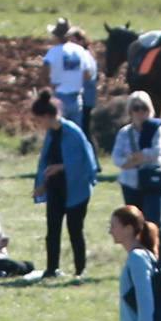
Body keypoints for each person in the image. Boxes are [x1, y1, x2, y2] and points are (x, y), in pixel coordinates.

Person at [31, 90, 97, 280]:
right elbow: (45, 161)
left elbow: (86, 161)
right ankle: (52, 268)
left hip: (75, 188)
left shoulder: (73, 132)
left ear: (46, 116)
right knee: (52, 230)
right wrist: (42, 184)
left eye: (38, 120)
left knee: (75, 230)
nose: (39, 124)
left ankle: (79, 270)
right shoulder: (51, 134)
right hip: (56, 188)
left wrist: (61, 167)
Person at [111, 90, 161, 236]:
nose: (140, 112)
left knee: (153, 224)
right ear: (130, 111)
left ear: (149, 109)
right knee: (134, 226)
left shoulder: (157, 129)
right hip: (130, 183)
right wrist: (133, 161)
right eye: (136, 108)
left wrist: (139, 156)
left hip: (152, 181)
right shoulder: (124, 133)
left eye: (144, 108)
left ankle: (158, 258)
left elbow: (158, 151)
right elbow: (116, 158)